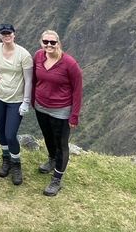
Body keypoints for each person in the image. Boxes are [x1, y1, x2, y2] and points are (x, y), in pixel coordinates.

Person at [31, 29, 83, 197]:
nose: (49, 45)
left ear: (58, 43)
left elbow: (77, 90)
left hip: (61, 109)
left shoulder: (69, 63)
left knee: (61, 144)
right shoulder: (38, 56)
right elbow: (34, 79)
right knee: (47, 137)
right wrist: (33, 99)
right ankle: (52, 159)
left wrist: (74, 115)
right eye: (46, 42)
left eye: (52, 42)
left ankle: (56, 179)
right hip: (41, 106)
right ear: (41, 42)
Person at [0, 22, 33, 185]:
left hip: (16, 100)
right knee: (1, 130)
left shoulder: (23, 55)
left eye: (9, 33)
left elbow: (29, 80)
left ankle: (16, 164)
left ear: (14, 34)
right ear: (0, 36)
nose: (6, 36)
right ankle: (6, 159)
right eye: (3, 34)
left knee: (11, 134)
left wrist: (26, 101)